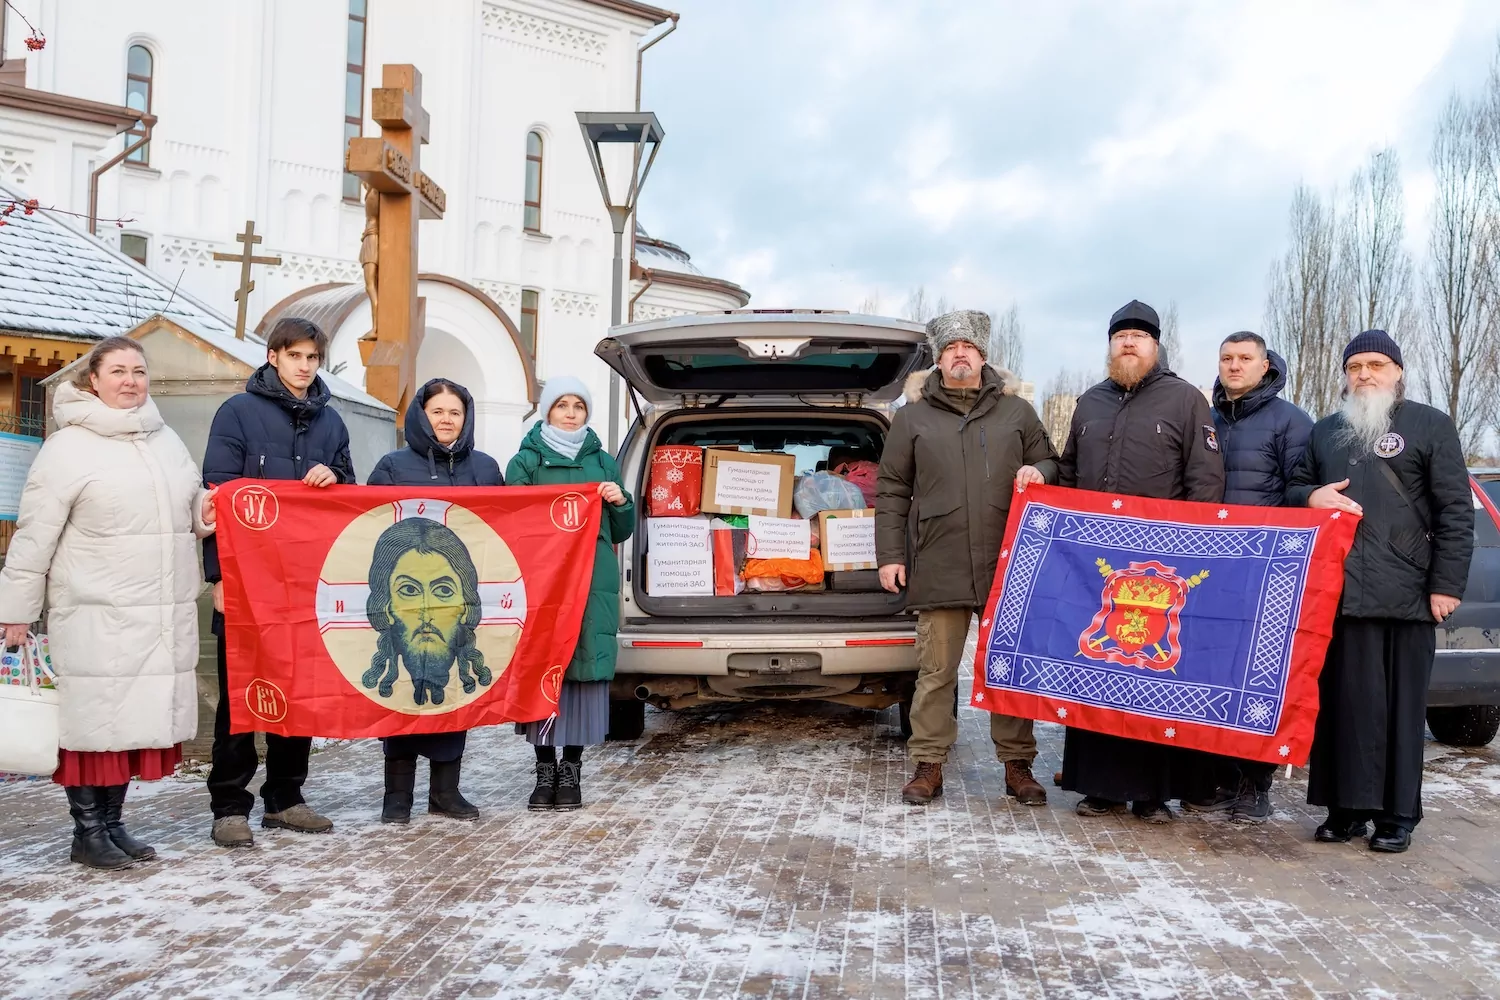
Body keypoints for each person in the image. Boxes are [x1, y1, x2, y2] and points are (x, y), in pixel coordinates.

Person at [0, 337, 215, 870]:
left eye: (138, 371)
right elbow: (34, 535)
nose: (130, 381)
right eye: (117, 371)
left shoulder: (165, 441)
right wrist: (17, 610)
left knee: (131, 727)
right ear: (91, 381)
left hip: (158, 612)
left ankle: (114, 825)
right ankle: (87, 832)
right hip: (96, 610)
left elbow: (188, 512)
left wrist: (209, 514)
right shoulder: (68, 447)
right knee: (94, 726)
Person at [1288, 329, 1472, 853]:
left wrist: (1446, 585)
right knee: (1343, 707)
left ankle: (1396, 816)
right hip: (1338, 596)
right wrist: (1312, 495)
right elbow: (1292, 489)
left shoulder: (1430, 425)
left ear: (1397, 371)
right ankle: (1344, 810)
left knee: (1398, 709)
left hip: (1409, 594)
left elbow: (1455, 511)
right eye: (1354, 367)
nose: (1364, 374)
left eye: (1375, 365)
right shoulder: (1326, 432)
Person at [876, 310, 1059, 807]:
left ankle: (1017, 764)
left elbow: (1052, 462)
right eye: (951, 347)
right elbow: (891, 489)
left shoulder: (1016, 412)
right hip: (939, 559)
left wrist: (1039, 469)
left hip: (1009, 562)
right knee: (936, 670)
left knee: (1008, 667)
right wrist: (891, 554)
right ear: (938, 358)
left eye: (968, 347)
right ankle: (929, 763)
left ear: (983, 355)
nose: (960, 354)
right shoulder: (911, 417)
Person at [1057, 299, 1225, 823]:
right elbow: (1066, 474)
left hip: (1160, 569)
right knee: (1097, 668)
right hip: (1095, 568)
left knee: (1152, 675)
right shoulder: (1088, 403)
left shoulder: (1186, 401)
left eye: (1139, 335)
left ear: (1156, 344)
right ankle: (1100, 786)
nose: (1129, 343)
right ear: (1110, 346)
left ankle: (1152, 793)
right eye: (1120, 335)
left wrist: (1189, 549)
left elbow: (1205, 480)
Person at [201, 317, 355, 849]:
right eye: (295, 357)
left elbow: (350, 499)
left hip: (309, 582)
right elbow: (216, 500)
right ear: (273, 357)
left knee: (300, 689)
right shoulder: (238, 413)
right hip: (248, 580)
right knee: (241, 691)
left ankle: (285, 798)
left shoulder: (331, 423)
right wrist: (216, 575)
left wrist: (334, 478)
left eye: (313, 358)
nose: (305, 367)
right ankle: (228, 804)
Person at [1185, 332, 1313, 823]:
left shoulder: (1291, 422)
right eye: (1226, 358)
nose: (1234, 366)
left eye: (1245, 359)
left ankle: (1254, 784)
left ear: (1265, 367)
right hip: (1209, 571)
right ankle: (1214, 777)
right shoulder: (1206, 419)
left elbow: (1301, 493)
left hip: (1264, 574)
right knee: (1212, 674)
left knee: (1258, 680)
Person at [366, 378, 504, 823]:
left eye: (455, 413)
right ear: (420, 416)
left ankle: (445, 792)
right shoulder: (391, 465)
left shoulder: (484, 468)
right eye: (437, 412)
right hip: (405, 602)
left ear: (467, 419)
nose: (447, 420)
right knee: (404, 692)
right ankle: (396, 797)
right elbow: (365, 525)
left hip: (455, 598)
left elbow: (506, 531)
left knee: (452, 690)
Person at [505, 376, 633, 811]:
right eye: (562, 404)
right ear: (548, 411)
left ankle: (571, 770)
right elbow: (514, 520)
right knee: (545, 664)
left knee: (582, 670)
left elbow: (621, 529)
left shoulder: (603, 461)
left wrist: (620, 502)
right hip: (543, 577)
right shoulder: (524, 460)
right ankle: (544, 771)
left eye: (579, 405)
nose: (572, 412)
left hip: (592, 577)